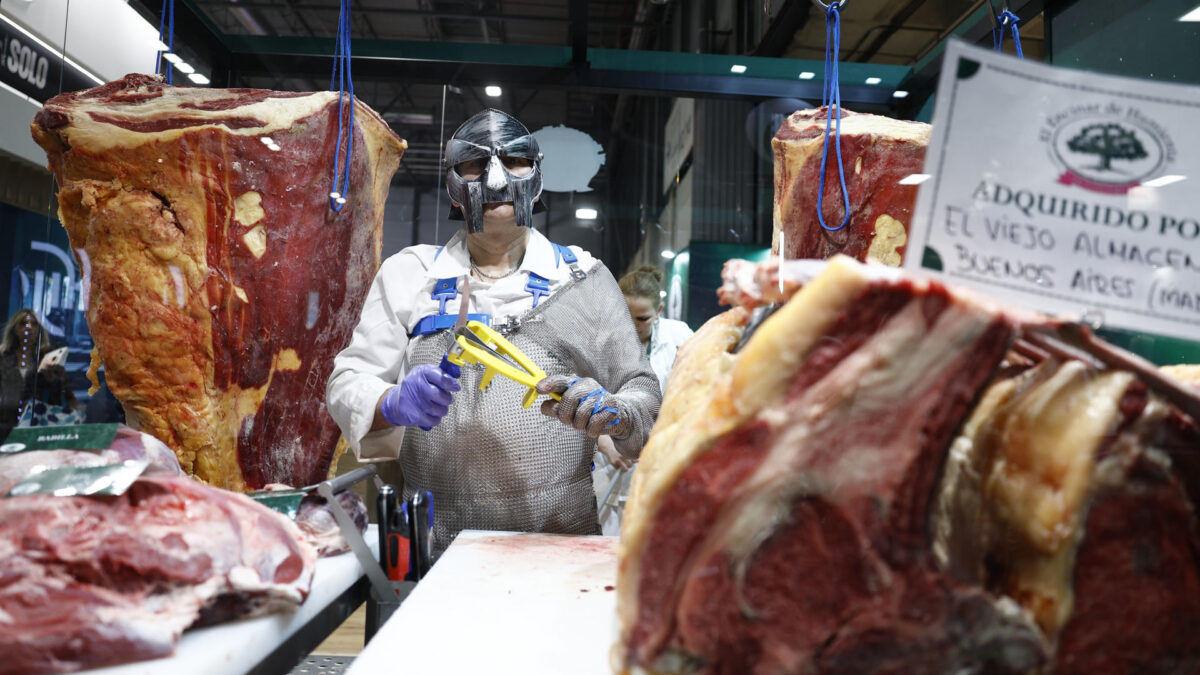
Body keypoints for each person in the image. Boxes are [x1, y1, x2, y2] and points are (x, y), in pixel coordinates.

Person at [327, 108, 661, 557]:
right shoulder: (412, 274)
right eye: (474, 164)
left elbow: (642, 391)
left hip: (559, 541)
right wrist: (390, 402)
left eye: (515, 161)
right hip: (436, 544)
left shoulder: (581, 278)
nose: (497, 179)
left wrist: (618, 414)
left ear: (537, 175)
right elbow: (347, 382)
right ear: (453, 184)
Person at [593, 266, 695, 533]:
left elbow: (697, 393)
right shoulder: (596, 339)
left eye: (642, 318)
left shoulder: (680, 337)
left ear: (659, 311)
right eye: (625, 315)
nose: (632, 325)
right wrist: (604, 442)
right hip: (610, 463)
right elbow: (582, 395)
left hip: (664, 461)